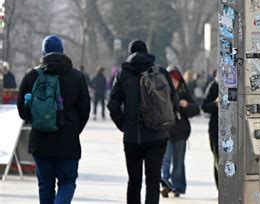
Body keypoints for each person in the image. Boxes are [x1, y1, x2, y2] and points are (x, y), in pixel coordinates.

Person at [17, 35, 91, 204]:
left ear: (43, 51)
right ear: (62, 51)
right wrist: (73, 129)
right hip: (68, 141)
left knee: (45, 184)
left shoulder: (32, 76)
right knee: (67, 183)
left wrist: (37, 121)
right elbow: (85, 110)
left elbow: (22, 110)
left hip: (40, 141)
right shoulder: (77, 77)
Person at [107, 40, 176, 204]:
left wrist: (123, 125)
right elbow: (173, 99)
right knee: (153, 181)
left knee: (134, 181)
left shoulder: (123, 74)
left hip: (133, 138)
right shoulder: (160, 71)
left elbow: (112, 105)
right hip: (158, 135)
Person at [161, 67, 200, 198]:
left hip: (180, 132)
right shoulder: (162, 92)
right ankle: (165, 184)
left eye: (176, 81)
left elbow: (196, 109)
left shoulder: (184, 92)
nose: (174, 83)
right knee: (165, 160)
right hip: (165, 131)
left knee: (178, 162)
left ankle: (177, 186)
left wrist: (186, 105)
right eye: (171, 80)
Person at [201, 77, 219, 188]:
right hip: (216, 129)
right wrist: (216, 103)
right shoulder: (214, 85)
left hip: (236, 130)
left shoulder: (240, 84)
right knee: (218, 158)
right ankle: (220, 187)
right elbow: (204, 106)